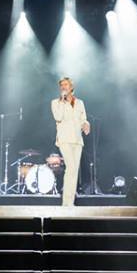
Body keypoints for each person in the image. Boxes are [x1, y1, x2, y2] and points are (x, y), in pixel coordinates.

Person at [50, 77, 90, 206]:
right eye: (61, 85)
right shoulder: (55, 102)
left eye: (66, 85)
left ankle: (69, 203)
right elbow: (58, 117)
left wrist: (86, 124)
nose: (63, 87)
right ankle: (66, 202)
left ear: (71, 87)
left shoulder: (80, 103)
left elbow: (83, 118)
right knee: (71, 167)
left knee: (74, 170)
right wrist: (62, 101)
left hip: (77, 140)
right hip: (64, 139)